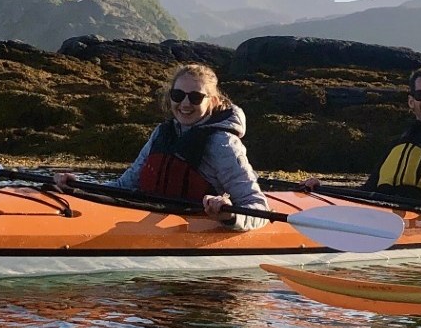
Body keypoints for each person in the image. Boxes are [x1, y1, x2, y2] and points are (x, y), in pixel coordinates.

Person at [53, 64, 269, 230]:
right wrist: (80, 186)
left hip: (191, 229)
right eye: (178, 95)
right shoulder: (162, 133)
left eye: (195, 97)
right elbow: (125, 185)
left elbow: (258, 206)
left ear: (211, 101)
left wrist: (229, 215)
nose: (185, 104)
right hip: (146, 216)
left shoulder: (222, 143)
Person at [304, 66, 421, 214]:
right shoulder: (399, 143)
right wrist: (322, 188)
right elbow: (367, 192)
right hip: (385, 219)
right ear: (411, 101)